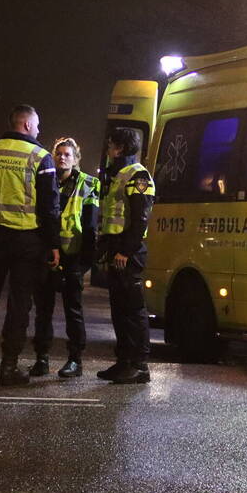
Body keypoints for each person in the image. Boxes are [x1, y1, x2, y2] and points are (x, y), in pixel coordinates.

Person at [0, 104, 60, 386]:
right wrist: (53, 243)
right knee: (19, 306)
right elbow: (50, 207)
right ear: (27, 125)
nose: (38, 131)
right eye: (37, 126)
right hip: (26, 242)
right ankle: (8, 369)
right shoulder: (40, 156)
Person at [29, 137, 100, 379]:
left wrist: (85, 263)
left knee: (73, 310)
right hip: (47, 254)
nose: (62, 157)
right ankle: (41, 358)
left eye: (67, 154)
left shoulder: (89, 183)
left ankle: (75, 360)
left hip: (73, 256)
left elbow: (91, 226)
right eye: (58, 153)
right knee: (43, 310)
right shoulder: (44, 180)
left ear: (76, 159)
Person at [96, 127, 156, 384]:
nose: (108, 151)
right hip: (117, 250)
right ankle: (124, 361)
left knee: (133, 309)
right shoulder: (119, 175)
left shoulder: (138, 176)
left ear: (119, 148)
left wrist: (124, 251)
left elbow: (140, 220)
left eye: (111, 146)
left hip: (128, 253)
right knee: (119, 309)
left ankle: (139, 365)